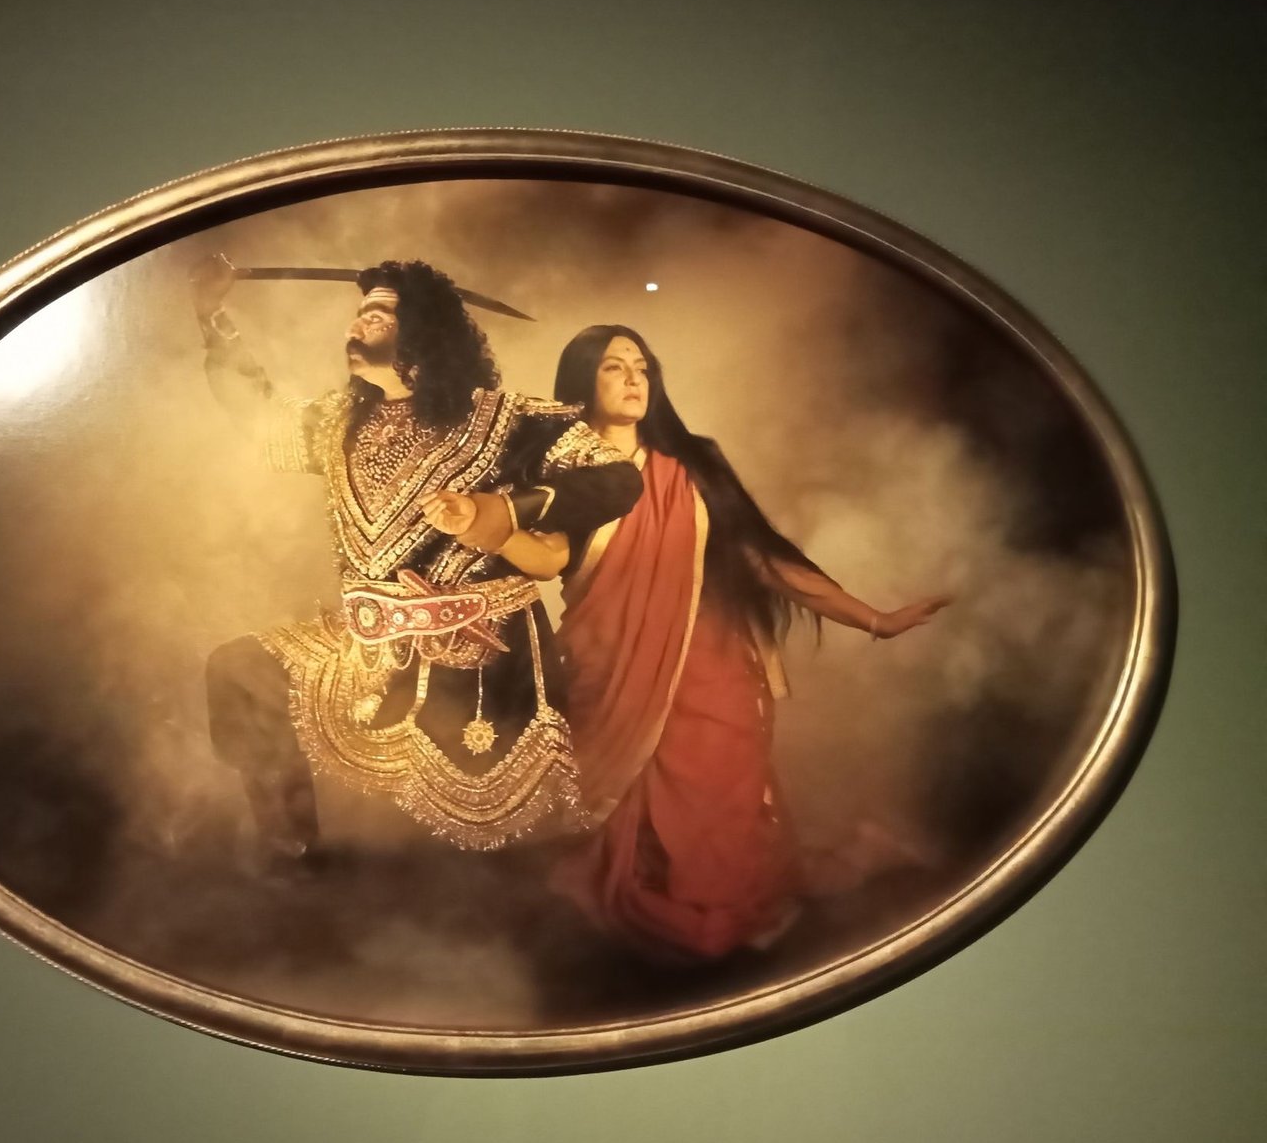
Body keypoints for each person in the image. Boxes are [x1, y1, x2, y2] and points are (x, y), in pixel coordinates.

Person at [189, 260, 642, 863]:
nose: (356, 328)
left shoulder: (509, 418)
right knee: (239, 669)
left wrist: (501, 511)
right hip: (365, 648)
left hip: (479, 657)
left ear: (425, 331)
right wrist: (213, 317)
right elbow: (256, 411)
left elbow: (617, 478)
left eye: (377, 316)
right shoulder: (336, 421)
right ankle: (292, 853)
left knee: (473, 854)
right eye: (358, 316)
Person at [543, 325, 950, 961]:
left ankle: (721, 910)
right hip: (610, 664)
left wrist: (875, 619)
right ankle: (656, 907)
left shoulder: (691, 465)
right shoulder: (555, 475)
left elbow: (762, 558)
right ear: (581, 381)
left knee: (722, 785)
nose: (633, 379)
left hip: (711, 659)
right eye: (613, 367)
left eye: (642, 367)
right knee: (633, 797)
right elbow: (523, 556)